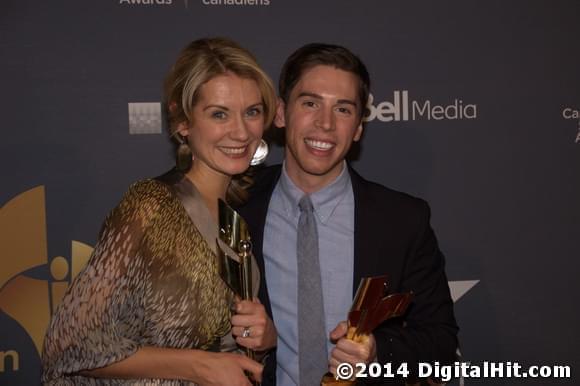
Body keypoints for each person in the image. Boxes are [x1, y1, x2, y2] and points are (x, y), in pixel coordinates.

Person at [42, 37, 278, 386]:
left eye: (252, 112)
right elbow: (69, 343)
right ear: (183, 121)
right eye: (219, 114)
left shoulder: (238, 215)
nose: (241, 131)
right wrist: (200, 365)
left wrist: (266, 336)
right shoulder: (150, 207)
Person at [238, 43, 459, 385]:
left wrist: (376, 353)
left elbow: (441, 344)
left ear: (358, 128)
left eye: (342, 109)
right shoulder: (235, 206)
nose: (325, 124)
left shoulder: (402, 220)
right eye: (310, 103)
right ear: (281, 113)